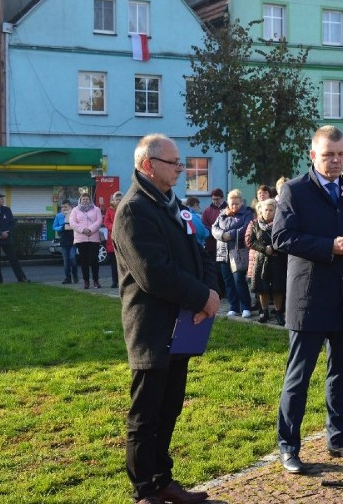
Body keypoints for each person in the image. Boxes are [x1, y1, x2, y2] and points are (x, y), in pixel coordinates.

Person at [112, 133, 220, 504]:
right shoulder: (134, 209)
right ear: (148, 165)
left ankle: (162, 480)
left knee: (170, 407)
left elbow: (202, 249)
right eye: (173, 162)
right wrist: (201, 296)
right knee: (147, 414)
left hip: (183, 324)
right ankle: (145, 491)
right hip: (153, 328)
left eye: (179, 161)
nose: (180, 168)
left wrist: (209, 293)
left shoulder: (175, 206)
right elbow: (152, 273)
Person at [272, 125, 343, 474]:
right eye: (328, 155)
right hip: (309, 297)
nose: (335, 161)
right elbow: (281, 237)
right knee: (298, 377)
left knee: (342, 375)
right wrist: (329, 246)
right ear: (313, 155)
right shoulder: (295, 191)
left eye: (340, 155)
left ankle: (338, 437)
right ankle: (288, 446)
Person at [211, 189, 254, 318]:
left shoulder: (246, 213)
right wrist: (222, 235)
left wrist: (231, 234)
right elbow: (214, 228)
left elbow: (246, 227)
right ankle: (233, 307)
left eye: (236, 203)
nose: (234, 206)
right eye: (231, 203)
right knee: (228, 281)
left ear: (241, 202)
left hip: (237, 252)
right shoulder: (222, 213)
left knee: (239, 280)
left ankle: (246, 306)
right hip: (223, 251)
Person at [248, 198, 287, 325]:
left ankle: (278, 313)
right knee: (262, 288)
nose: (268, 212)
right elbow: (250, 241)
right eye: (266, 210)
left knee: (278, 288)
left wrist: (275, 248)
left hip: (278, 260)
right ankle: (264, 312)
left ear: (276, 211)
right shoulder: (255, 224)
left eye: (271, 210)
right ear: (261, 211)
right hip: (261, 260)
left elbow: (286, 239)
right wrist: (264, 248)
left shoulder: (282, 223)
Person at [0, 193, 29, 284]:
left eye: (3, 199)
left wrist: (7, 232)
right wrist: (0, 232)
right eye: (1, 199)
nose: (3, 201)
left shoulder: (7, 210)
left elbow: (12, 223)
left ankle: (21, 278)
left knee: (13, 259)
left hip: (7, 238)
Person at [70, 193, 103, 289]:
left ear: (90, 200)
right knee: (84, 261)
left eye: (87, 199)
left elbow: (99, 221)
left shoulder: (96, 209)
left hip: (93, 238)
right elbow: (72, 223)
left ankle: (96, 281)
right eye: (83, 199)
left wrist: (91, 229)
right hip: (81, 239)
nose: (85, 200)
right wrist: (83, 230)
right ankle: (86, 281)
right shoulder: (75, 210)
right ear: (80, 200)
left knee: (94, 260)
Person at [53, 199, 78, 284]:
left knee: (73, 258)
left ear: (70, 207)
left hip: (73, 240)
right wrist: (61, 227)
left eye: (66, 207)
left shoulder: (74, 215)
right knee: (66, 261)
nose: (64, 208)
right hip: (63, 240)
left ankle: (75, 275)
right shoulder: (59, 216)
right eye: (62, 207)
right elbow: (54, 227)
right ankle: (68, 278)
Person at [104, 191, 124, 288]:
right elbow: (106, 221)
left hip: (124, 238)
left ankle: (123, 281)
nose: (118, 201)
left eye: (120, 200)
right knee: (113, 263)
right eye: (116, 200)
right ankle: (114, 281)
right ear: (114, 201)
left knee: (123, 263)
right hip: (112, 237)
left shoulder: (126, 208)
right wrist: (114, 227)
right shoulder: (109, 209)